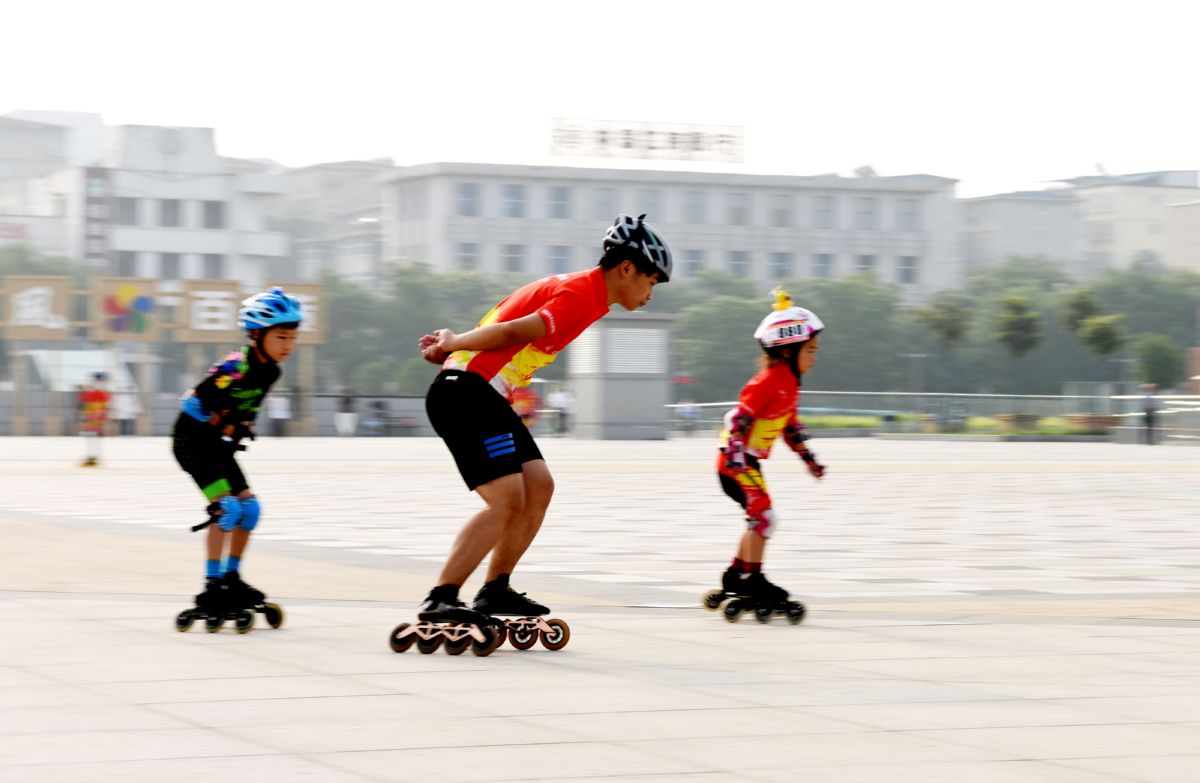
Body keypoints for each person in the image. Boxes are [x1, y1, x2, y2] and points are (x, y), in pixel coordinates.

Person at [414, 213, 672, 633]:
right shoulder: (581, 294)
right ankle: (442, 596)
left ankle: (495, 588)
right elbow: (512, 331)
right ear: (627, 268)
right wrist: (455, 343)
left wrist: (453, 349)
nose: (650, 293)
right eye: (652, 281)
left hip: (482, 392)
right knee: (506, 500)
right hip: (468, 393)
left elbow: (503, 326)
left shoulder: (586, 293)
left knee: (538, 485)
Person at [171, 287, 302, 631]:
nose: (288, 345)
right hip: (191, 442)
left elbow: (248, 406)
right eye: (281, 337)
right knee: (226, 509)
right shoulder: (237, 366)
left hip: (216, 445)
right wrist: (223, 421)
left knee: (250, 509)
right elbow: (191, 403)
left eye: (293, 337)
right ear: (257, 335)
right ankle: (212, 584)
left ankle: (231, 576)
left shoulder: (271, 371)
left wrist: (241, 423)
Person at [707, 290, 825, 619]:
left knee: (758, 519)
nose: (815, 357)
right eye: (810, 350)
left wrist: (809, 460)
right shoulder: (769, 381)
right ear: (788, 350)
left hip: (745, 462)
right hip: (735, 461)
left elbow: (790, 427)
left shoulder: (789, 384)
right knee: (764, 519)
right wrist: (736, 455)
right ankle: (753, 579)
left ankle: (737, 574)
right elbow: (740, 419)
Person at [79, 373, 111, 467]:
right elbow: (85, 403)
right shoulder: (92, 391)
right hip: (92, 416)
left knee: (95, 437)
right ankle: (92, 457)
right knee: (91, 437)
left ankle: (94, 457)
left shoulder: (100, 391)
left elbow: (103, 406)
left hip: (96, 417)